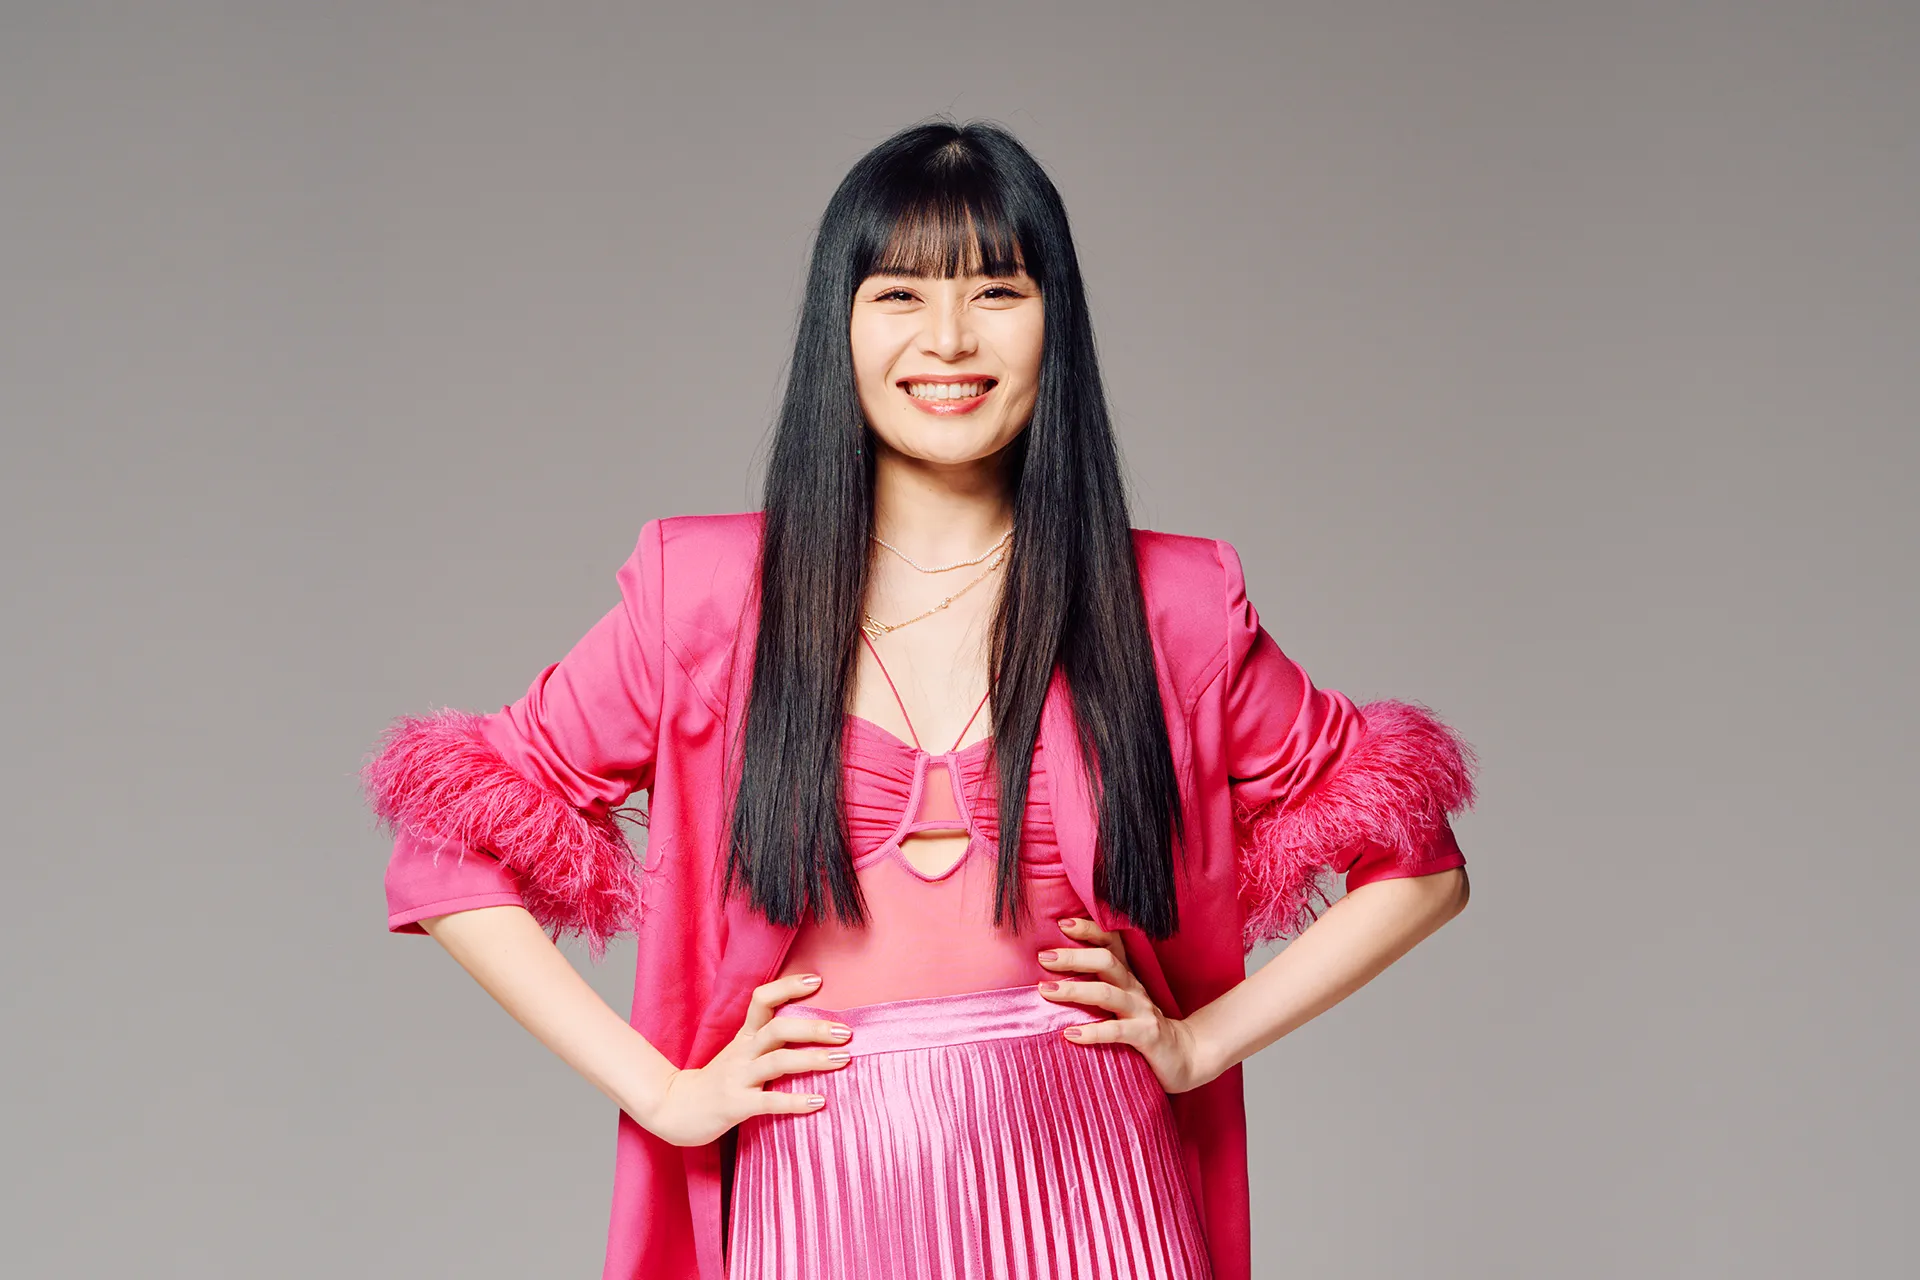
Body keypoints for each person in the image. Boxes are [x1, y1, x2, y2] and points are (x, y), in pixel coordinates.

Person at [361, 118, 1477, 1280]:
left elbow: (1422, 864)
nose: (949, 337)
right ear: (838, 327)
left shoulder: (1173, 604)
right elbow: (446, 848)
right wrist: (663, 1090)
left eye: (997, 290)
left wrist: (1198, 1044)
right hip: (820, 1182)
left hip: (1097, 1185)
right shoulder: (703, 595)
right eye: (899, 293)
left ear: (1055, 321)